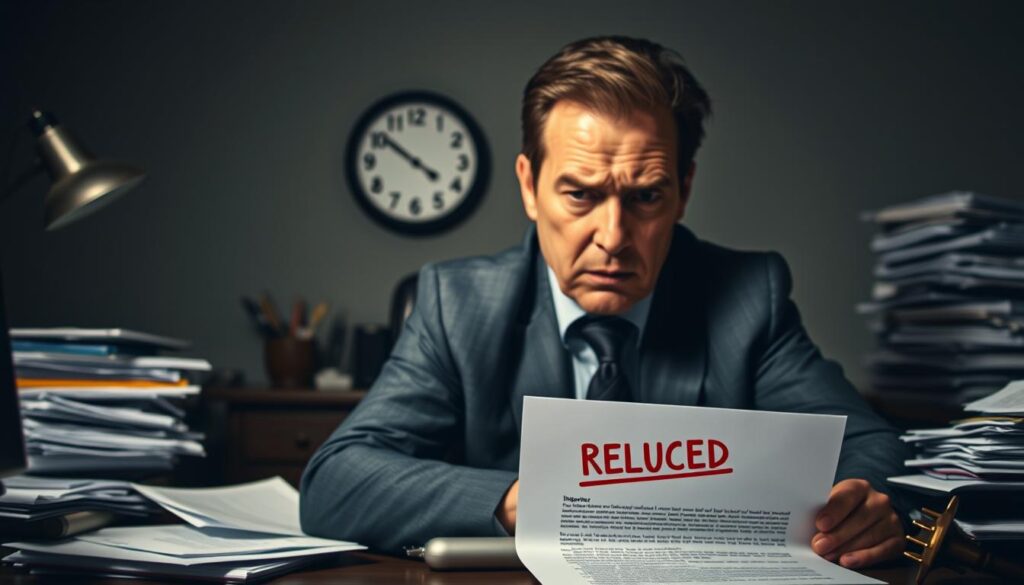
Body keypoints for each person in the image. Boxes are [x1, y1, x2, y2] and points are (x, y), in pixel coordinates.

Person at [301, 35, 909, 570]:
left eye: (646, 197)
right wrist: (532, 499)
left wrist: (863, 504)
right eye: (580, 194)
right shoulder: (456, 304)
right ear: (529, 187)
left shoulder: (748, 297)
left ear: (684, 190)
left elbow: (872, 447)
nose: (613, 237)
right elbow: (336, 482)